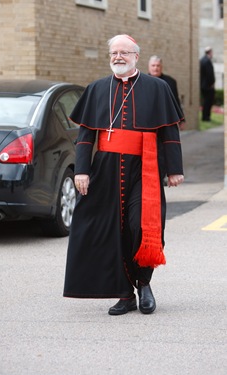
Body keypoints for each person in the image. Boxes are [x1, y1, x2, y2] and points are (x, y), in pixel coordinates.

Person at [63, 34, 184, 316]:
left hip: (146, 170)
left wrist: (175, 169)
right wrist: (81, 171)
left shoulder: (157, 87)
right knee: (110, 231)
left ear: (136, 56)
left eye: (124, 52)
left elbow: (169, 133)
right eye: (114, 52)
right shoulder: (96, 89)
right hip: (105, 169)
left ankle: (144, 284)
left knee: (141, 225)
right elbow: (84, 137)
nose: (118, 57)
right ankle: (124, 294)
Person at [148, 55, 185, 129]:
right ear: (149, 67)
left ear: (161, 67)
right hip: (148, 119)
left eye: (158, 65)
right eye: (153, 65)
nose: (156, 68)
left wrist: (181, 119)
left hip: (166, 120)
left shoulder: (170, 82)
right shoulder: (142, 82)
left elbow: (175, 101)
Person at [200, 47, 215, 121]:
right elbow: (209, 74)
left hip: (203, 85)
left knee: (205, 102)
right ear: (209, 52)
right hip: (208, 86)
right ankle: (206, 117)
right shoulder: (207, 61)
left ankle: (205, 116)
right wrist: (211, 83)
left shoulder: (202, 60)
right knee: (208, 102)